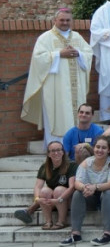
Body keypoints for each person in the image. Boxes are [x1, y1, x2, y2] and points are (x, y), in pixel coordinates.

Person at [23, 8, 93, 148]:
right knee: (56, 115)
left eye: (68, 20)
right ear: (55, 20)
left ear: (71, 21)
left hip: (75, 87)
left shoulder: (77, 37)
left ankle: (75, 147)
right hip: (55, 88)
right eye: (62, 20)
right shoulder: (45, 38)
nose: (65, 23)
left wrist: (79, 54)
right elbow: (38, 58)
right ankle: (56, 148)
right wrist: (59, 54)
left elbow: (88, 53)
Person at [59, 136, 110, 246]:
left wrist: (95, 187)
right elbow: (77, 183)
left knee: (108, 192)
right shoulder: (87, 162)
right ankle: (76, 234)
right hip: (91, 195)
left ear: (109, 150)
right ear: (94, 148)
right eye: (97, 147)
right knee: (77, 193)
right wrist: (85, 188)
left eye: (104, 148)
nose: (100, 150)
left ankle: (107, 234)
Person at [14, 141, 76, 230]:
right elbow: (38, 186)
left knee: (59, 190)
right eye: (53, 151)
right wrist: (37, 199)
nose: (56, 153)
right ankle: (48, 221)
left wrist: (59, 199)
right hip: (50, 201)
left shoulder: (71, 165)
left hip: (66, 199)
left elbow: (72, 187)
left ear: (63, 152)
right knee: (44, 191)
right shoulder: (45, 167)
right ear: (48, 154)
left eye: (59, 150)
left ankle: (62, 221)